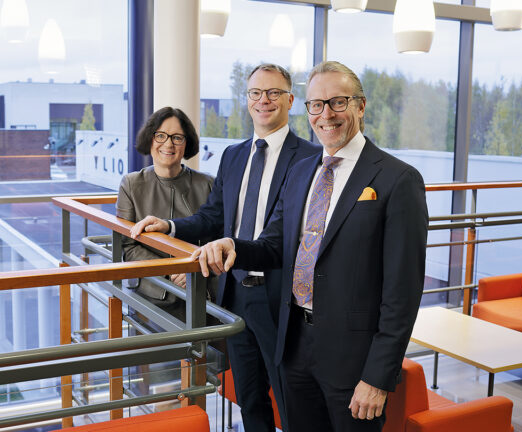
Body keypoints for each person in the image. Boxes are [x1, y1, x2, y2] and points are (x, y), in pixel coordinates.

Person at [191, 61, 429, 432]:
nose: (326, 114)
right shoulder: (303, 171)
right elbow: (273, 245)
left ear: (360, 106)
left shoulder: (398, 180)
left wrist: (379, 377)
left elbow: (403, 293)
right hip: (294, 344)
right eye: (316, 104)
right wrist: (232, 244)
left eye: (337, 102)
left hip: (353, 360)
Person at [131, 64, 319, 432]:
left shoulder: (309, 157)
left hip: (281, 298)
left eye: (274, 93)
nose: (263, 101)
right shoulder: (233, 156)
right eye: (255, 93)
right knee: (249, 398)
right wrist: (168, 225)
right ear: (246, 100)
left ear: (290, 100)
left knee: (291, 402)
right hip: (235, 297)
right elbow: (211, 218)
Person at [116, 106, 214, 320]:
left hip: (201, 291)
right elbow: (128, 246)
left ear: (186, 143)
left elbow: (216, 238)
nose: (168, 143)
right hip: (151, 293)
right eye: (160, 135)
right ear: (150, 139)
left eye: (177, 137)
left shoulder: (207, 184)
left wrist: (191, 270)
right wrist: (171, 271)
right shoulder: (131, 184)